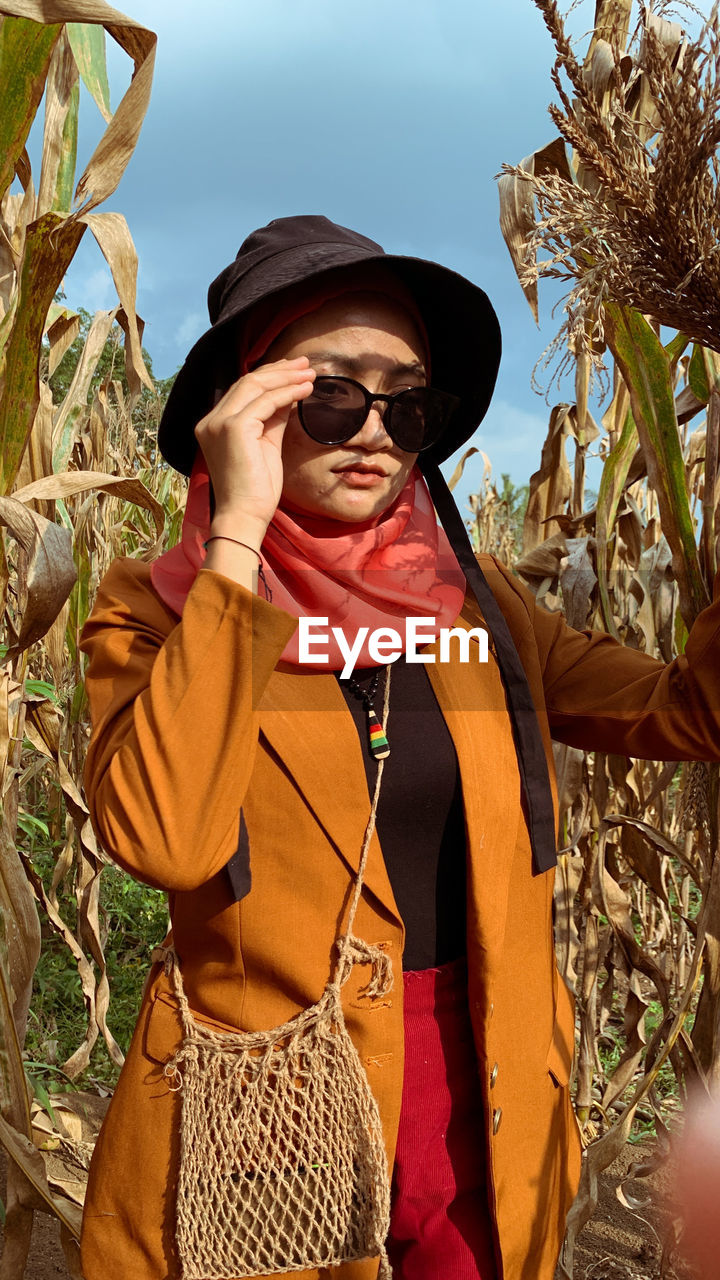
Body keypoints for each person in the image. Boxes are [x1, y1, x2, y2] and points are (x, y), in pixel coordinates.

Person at [78, 214, 720, 1280]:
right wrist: (239, 533)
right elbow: (167, 838)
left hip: (485, 1089)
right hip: (268, 1118)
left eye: (406, 401)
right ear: (246, 409)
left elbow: (687, 715)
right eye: (329, 395)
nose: (374, 429)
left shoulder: (480, 610)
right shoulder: (154, 615)